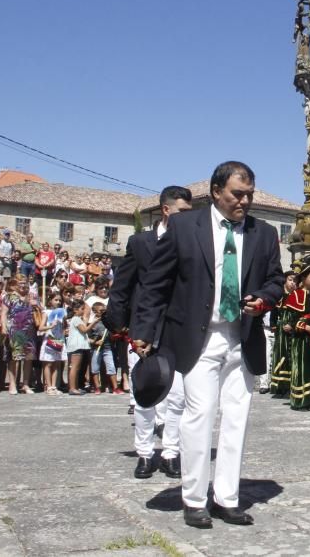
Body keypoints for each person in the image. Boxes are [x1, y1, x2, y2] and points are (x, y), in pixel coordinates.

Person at [130, 162, 284, 528]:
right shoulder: (185, 227)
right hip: (199, 337)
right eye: (236, 194)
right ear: (216, 192)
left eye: (249, 195)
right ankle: (194, 498)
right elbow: (156, 283)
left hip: (242, 338)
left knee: (237, 419)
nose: (243, 202)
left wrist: (263, 297)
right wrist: (144, 329)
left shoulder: (263, 233)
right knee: (199, 415)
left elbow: (277, 280)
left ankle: (227, 498)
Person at [103, 185, 192, 479]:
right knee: (145, 394)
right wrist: (123, 327)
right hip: (143, 330)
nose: (187, 218)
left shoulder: (191, 242)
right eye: (182, 211)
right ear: (166, 210)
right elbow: (122, 287)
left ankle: (170, 452)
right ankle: (144, 453)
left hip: (177, 329)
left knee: (178, 396)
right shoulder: (140, 242)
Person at [284, 264, 310, 411]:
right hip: (301, 338)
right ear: (303, 278)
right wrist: (308, 328)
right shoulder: (296, 295)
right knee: (302, 367)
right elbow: (292, 321)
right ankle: (301, 399)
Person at [1, 275, 36, 394]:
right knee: (14, 358)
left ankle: (25, 384)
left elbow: (39, 309)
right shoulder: (8, 297)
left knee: (28, 357)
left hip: (29, 330)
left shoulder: (30, 296)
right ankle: (12, 383)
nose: (23, 285)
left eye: (25, 282)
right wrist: (4, 327)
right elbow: (4, 313)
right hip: (14, 329)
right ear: (15, 284)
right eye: (20, 282)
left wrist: (35, 303)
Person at [267, 272, 297, 398]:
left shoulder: (297, 296)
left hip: (293, 329)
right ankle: (280, 385)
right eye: (290, 280)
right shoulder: (279, 295)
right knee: (280, 354)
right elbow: (274, 311)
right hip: (281, 330)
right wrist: (274, 325)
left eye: (295, 281)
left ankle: (291, 385)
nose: (293, 283)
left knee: (292, 356)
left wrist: (292, 324)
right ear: (285, 280)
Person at [37, 292, 68, 394]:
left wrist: (64, 323)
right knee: (48, 364)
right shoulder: (47, 312)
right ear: (50, 300)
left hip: (59, 339)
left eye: (59, 300)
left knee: (57, 364)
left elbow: (64, 327)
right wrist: (50, 326)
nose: (58, 302)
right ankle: (48, 386)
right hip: (50, 339)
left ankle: (54, 386)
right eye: (56, 300)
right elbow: (41, 327)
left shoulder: (62, 312)